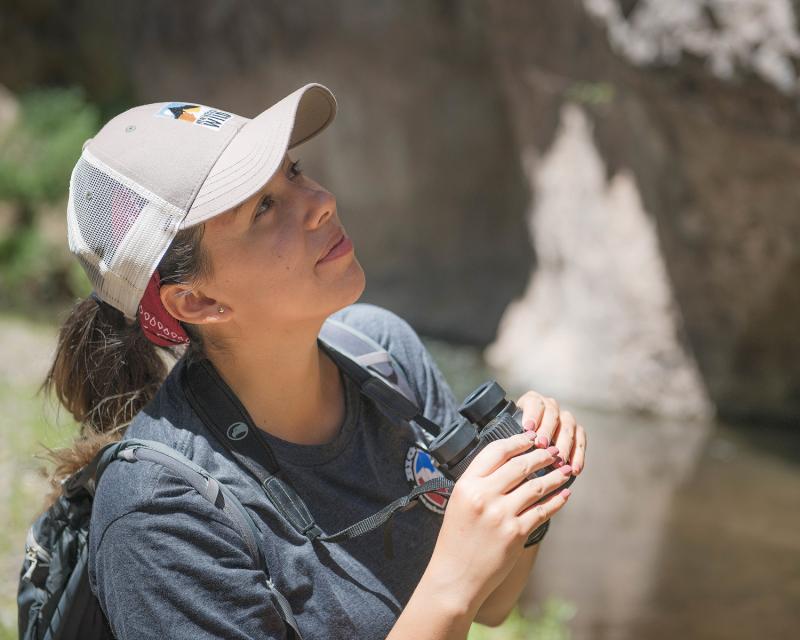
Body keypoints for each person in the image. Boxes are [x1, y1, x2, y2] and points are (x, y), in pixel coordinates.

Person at [44, 82, 587, 639]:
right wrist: (450, 583)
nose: (321, 200)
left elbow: (491, 604)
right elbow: (456, 592)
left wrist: (523, 492)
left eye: (294, 171)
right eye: (263, 207)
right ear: (198, 301)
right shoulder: (159, 515)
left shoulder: (384, 357)